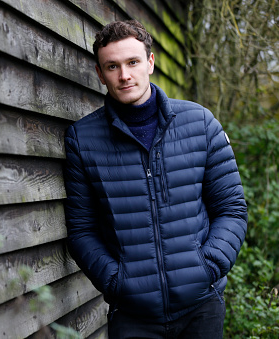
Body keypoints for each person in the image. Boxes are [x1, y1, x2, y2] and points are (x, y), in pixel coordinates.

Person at [63, 20, 247, 338]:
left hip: (201, 306)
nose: (124, 75)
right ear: (99, 73)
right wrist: (116, 282)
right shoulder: (83, 139)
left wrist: (208, 266)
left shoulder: (200, 123)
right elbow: (82, 230)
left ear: (149, 62)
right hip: (132, 315)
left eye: (132, 62)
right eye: (112, 66)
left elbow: (231, 209)